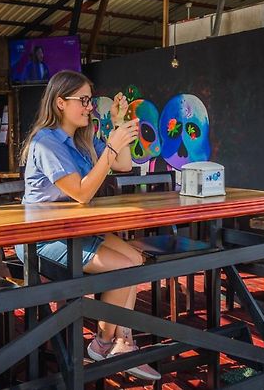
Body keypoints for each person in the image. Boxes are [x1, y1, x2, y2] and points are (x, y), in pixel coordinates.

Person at [16, 70, 161, 381]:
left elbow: (121, 164)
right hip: (42, 238)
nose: (89, 107)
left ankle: (113, 341)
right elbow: (82, 193)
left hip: (76, 230)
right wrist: (110, 147)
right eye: (83, 100)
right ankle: (111, 341)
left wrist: (119, 124)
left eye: (90, 101)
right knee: (125, 268)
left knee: (135, 260)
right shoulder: (46, 142)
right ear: (60, 103)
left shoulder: (82, 139)